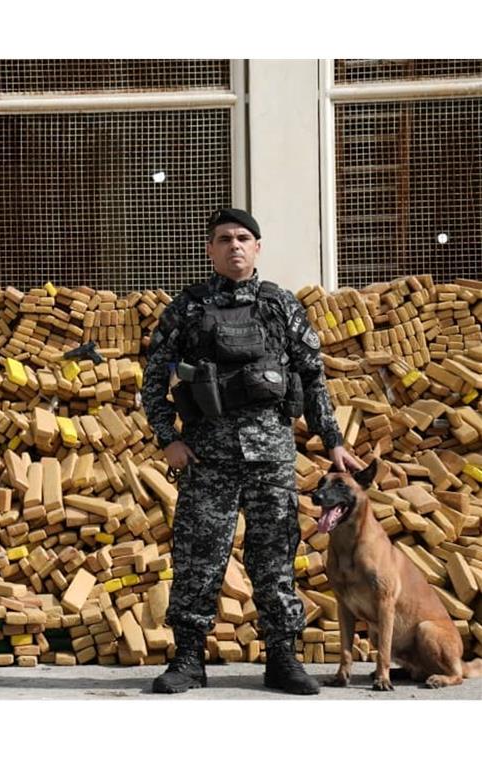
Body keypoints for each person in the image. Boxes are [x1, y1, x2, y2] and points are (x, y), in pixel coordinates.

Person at [141, 208, 360, 695]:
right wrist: (168, 438)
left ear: (257, 247)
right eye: (224, 238)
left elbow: (312, 376)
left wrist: (333, 441)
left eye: (243, 237)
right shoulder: (188, 308)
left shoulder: (280, 305)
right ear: (209, 249)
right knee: (198, 559)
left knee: (275, 559)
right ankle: (188, 659)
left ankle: (282, 659)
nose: (234, 245)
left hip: (271, 458)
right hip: (207, 457)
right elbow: (153, 378)